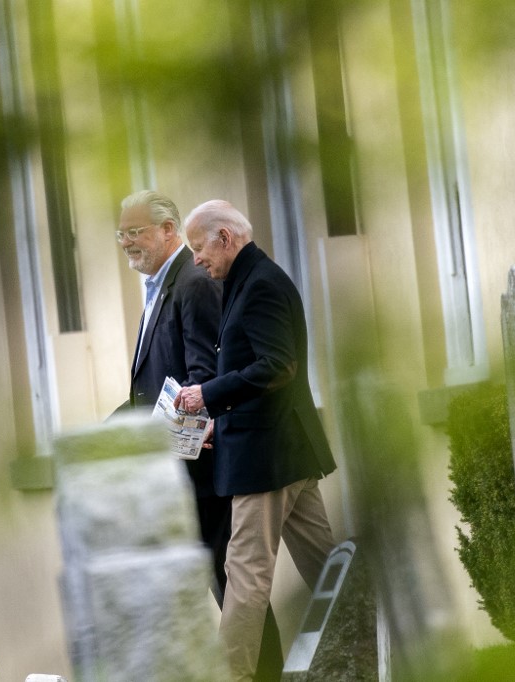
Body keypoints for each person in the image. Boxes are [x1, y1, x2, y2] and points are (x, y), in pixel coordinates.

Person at [116, 190, 283, 681]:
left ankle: (264, 674)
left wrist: (175, 436)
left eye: (136, 231)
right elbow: (149, 390)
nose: (126, 242)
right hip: (177, 469)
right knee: (224, 588)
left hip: (202, 470)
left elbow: (201, 377)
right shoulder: (160, 287)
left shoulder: (192, 283)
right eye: (121, 233)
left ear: (169, 231)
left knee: (235, 591)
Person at [174, 199, 338, 682]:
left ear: (225, 237)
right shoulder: (250, 280)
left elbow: (276, 367)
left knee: (243, 576)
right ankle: (398, 647)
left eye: (198, 247)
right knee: (330, 569)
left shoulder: (261, 284)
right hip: (283, 453)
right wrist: (213, 418)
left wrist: (206, 394)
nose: (196, 260)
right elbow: (259, 373)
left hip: (265, 461)